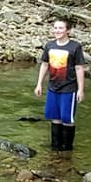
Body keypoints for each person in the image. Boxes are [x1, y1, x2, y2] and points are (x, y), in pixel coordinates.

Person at [34, 17, 86, 152]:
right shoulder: (50, 45)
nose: (57, 30)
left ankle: (67, 150)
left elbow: (79, 68)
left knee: (67, 119)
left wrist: (81, 90)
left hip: (69, 88)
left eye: (61, 28)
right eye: (55, 28)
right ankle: (55, 148)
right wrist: (39, 84)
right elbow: (44, 65)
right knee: (55, 118)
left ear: (68, 30)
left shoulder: (75, 47)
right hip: (53, 87)